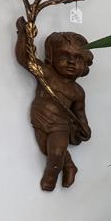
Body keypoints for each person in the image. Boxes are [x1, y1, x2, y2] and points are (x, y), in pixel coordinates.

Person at [19, 24, 93, 192]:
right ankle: (69, 165)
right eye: (64, 56)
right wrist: (23, 34)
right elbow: (25, 59)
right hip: (39, 118)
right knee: (46, 149)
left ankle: (50, 177)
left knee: (57, 152)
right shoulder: (47, 74)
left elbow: (80, 114)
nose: (71, 62)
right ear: (51, 57)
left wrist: (84, 127)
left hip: (60, 125)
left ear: (85, 64)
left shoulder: (77, 92)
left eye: (78, 58)